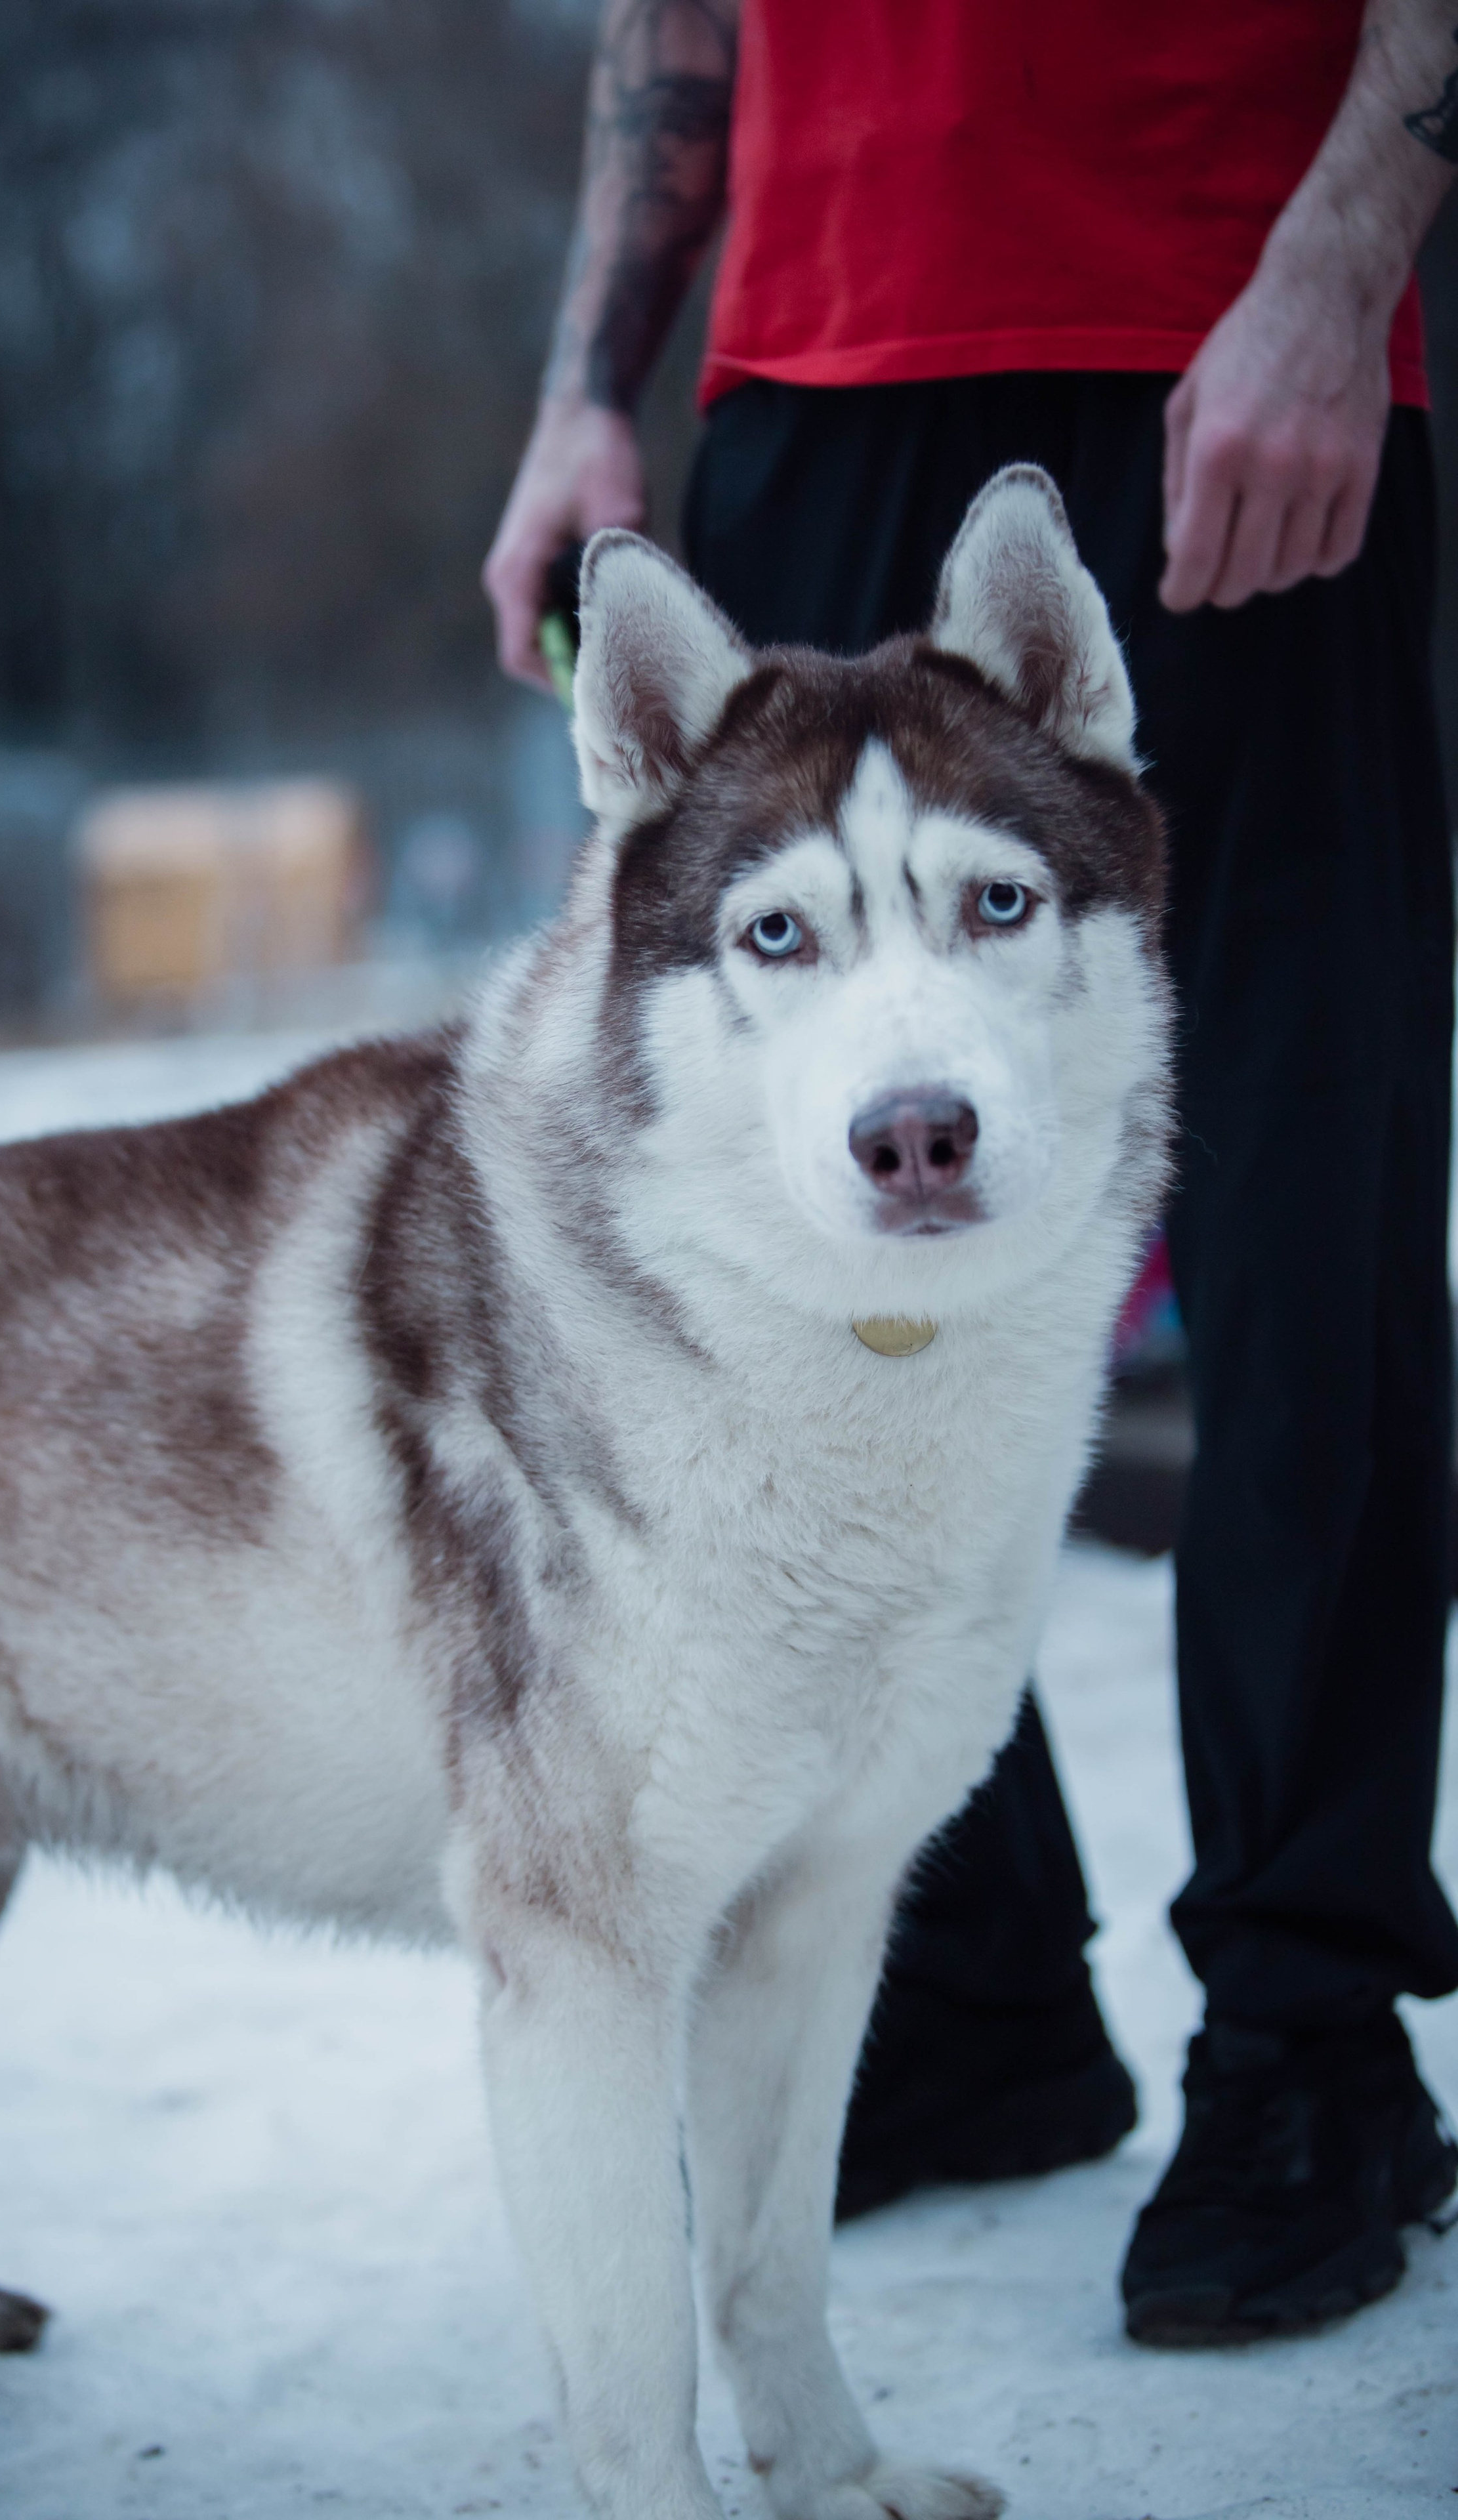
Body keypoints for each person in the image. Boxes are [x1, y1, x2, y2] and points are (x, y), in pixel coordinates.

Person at [484, 0, 1458, 2346]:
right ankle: (980, 1991)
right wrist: (585, 381)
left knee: (1297, 1211)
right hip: (807, 364)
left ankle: (1312, 2035)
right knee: (817, 1241)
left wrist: (1342, 267)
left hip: (1221, 314)